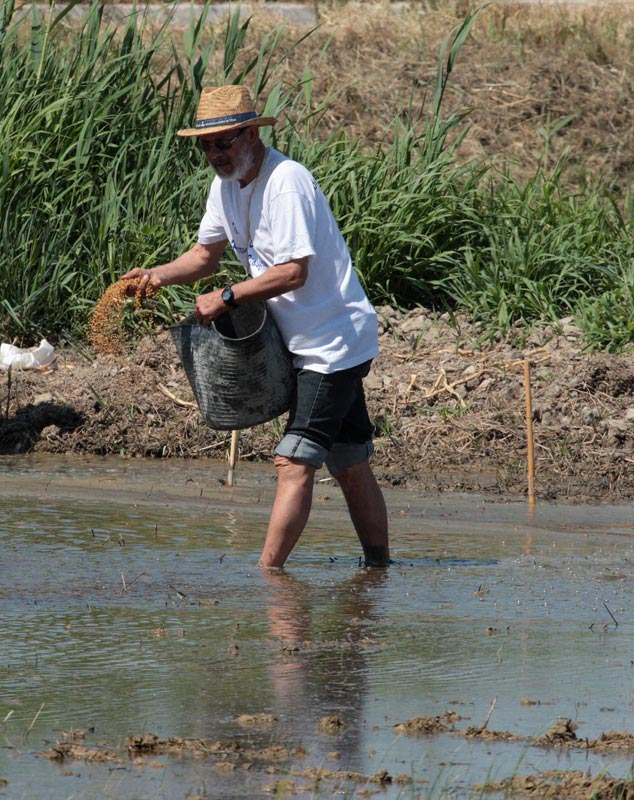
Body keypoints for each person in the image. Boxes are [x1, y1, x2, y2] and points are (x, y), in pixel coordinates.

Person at [123, 84, 390, 569]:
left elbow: (294, 271)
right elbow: (205, 255)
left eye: (223, 142)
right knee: (349, 463)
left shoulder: (286, 182)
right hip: (301, 342)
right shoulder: (224, 187)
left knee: (293, 461)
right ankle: (379, 571)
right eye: (206, 145)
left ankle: (269, 577)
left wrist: (227, 297)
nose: (214, 154)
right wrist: (156, 275)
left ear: (251, 134)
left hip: (331, 343)